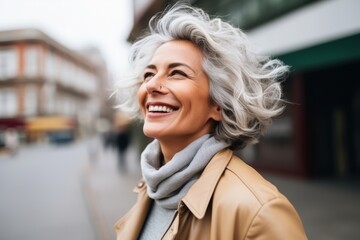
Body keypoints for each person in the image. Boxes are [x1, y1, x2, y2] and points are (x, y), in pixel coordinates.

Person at [114, 4, 307, 240]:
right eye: (148, 74)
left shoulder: (258, 212)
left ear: (218, 103)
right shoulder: (151, 189)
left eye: (177, 73)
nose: (152, 85)